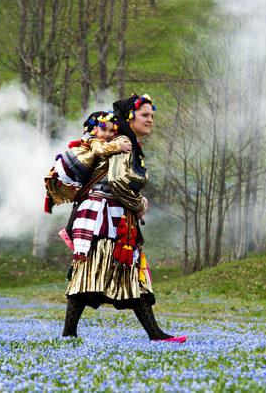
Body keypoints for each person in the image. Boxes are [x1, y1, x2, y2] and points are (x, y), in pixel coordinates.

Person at [62, 94, 186, 343]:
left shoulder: (127, 143)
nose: (150, 120)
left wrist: (138, 201)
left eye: (152, 115)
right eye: (145, 115)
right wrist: (138, 204)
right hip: (106, 219)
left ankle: (154, 334)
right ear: (130, 118)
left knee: (120, 273)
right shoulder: (122, 143)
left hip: (114, 218)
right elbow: (118, 182)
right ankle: (69, 333)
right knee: (96, 270)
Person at [44, 111, 131, 213]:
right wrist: (119, 146)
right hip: (72, 167)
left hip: (71, 169)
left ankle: (51, 201)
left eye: (112, 130)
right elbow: (99, 149)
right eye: (103, 129)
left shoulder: (92, 138)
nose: (107, 134)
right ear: (95, 129)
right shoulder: (94, 140)